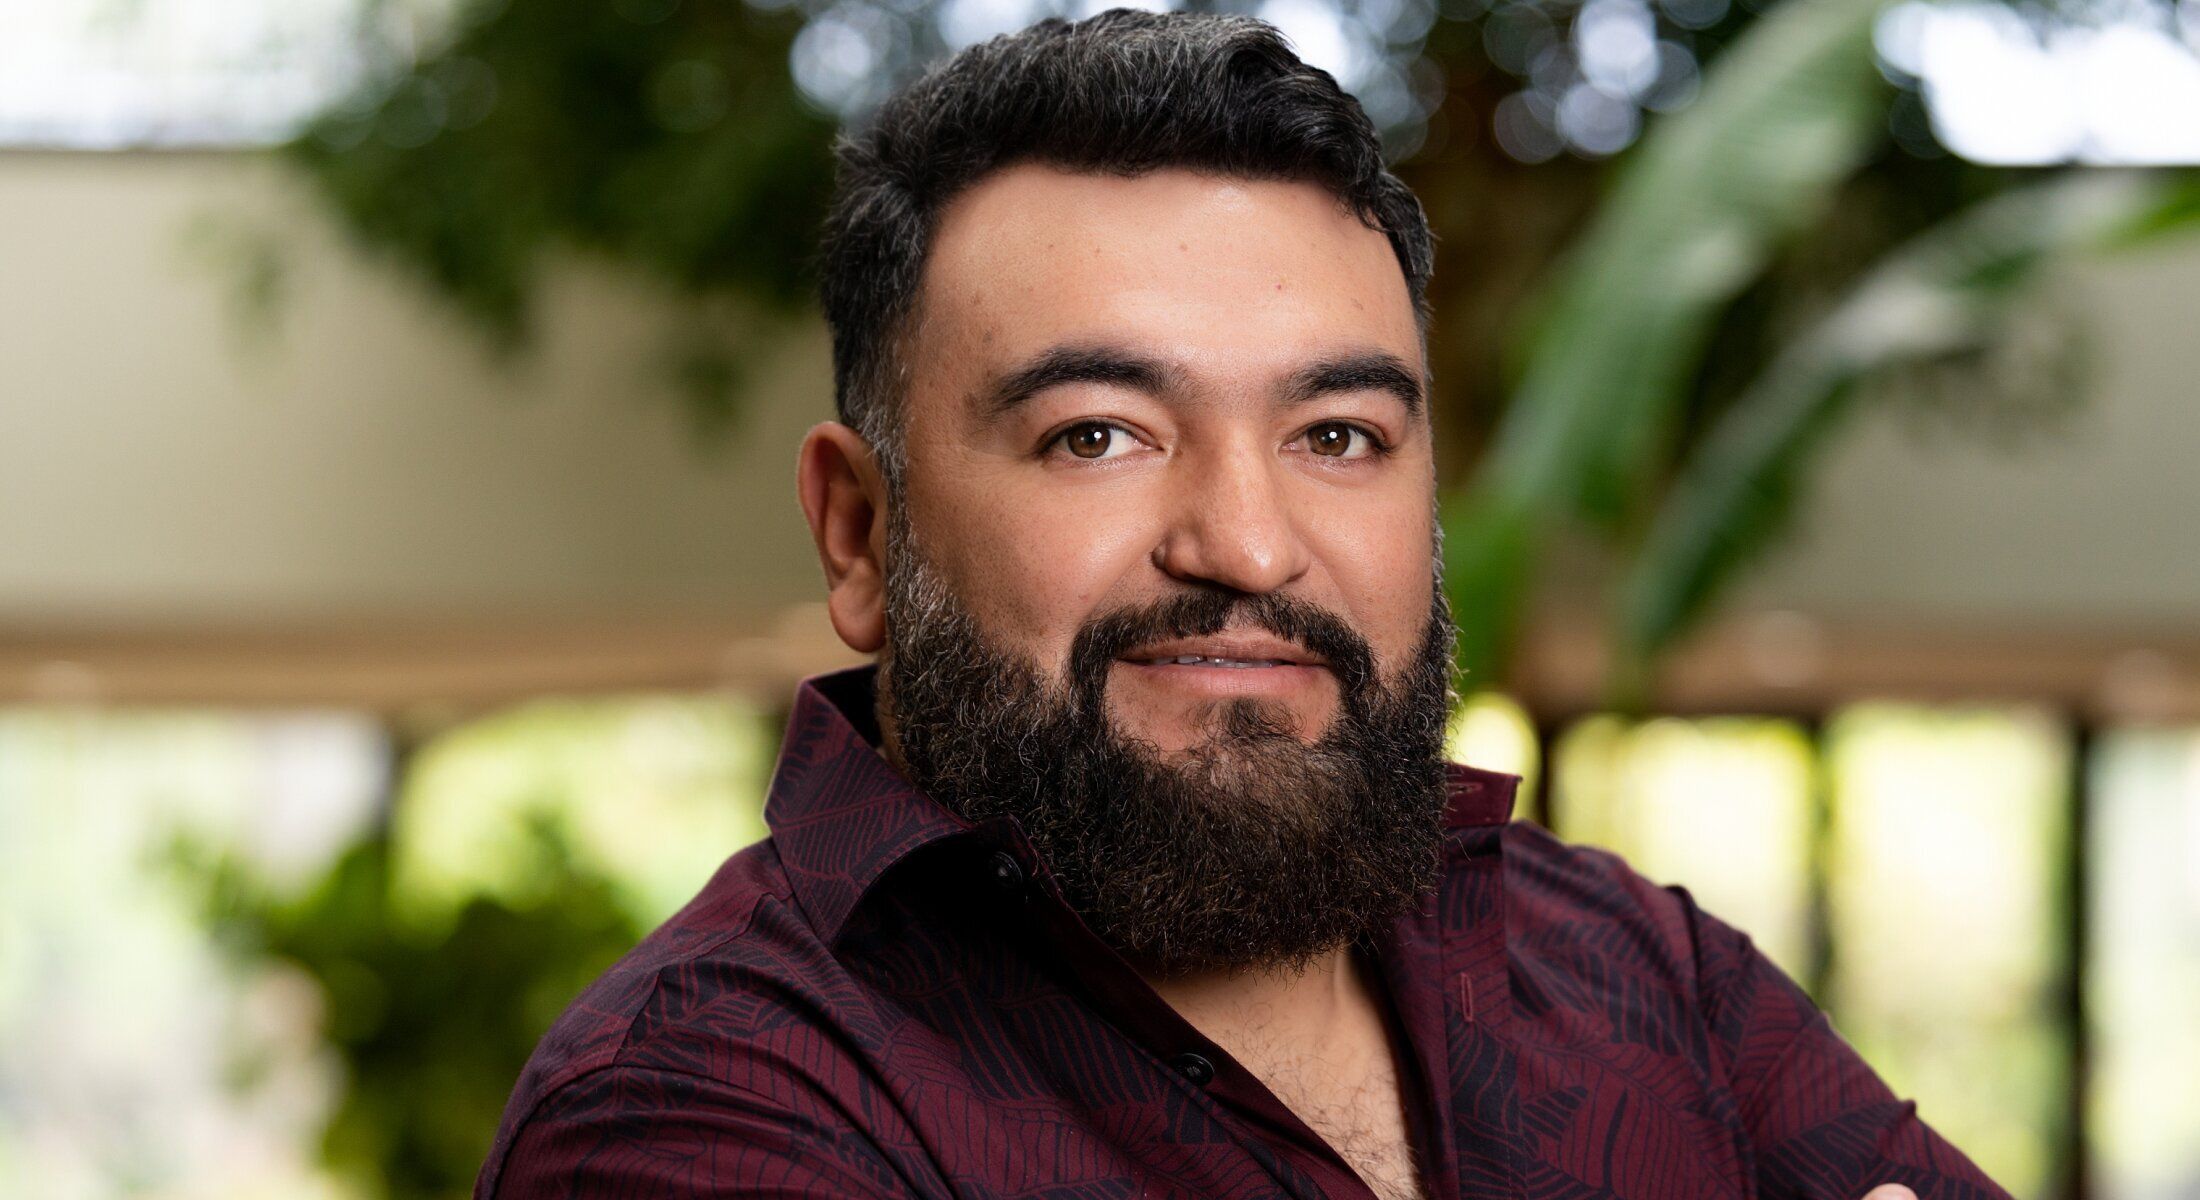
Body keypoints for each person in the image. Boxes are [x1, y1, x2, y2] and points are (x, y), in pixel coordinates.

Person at [475, 11, 2009, 1199]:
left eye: (1336, 437)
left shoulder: (1622, 962)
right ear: (862, 534)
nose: (1250, 546)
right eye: (1099, 434)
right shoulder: (701, 1101)